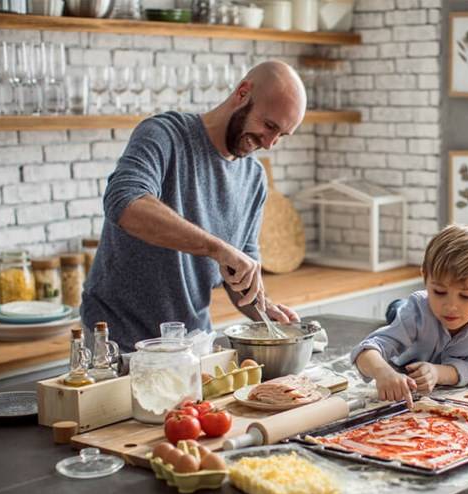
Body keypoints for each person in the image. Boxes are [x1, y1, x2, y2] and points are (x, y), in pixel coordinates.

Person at [81, 61, 306, 351]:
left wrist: (266, 313)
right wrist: (217, 248)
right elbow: (124, 202)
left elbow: (239, 274)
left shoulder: (254, 177)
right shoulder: (164, 134)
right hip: (116, 342)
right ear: (242, 93)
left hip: (190, 345)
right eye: (269, 125)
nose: (270, 142)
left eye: (281, 136)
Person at [351, 224, 468, 406]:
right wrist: (383, 372)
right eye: (439, 291)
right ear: (425, 278)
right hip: (412, 313)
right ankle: (396, 307)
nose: (451, 306)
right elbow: (364, 351)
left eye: (466, 296)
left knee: (407, 309)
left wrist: (437, 372)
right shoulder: (417, 309)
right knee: (399, 311)